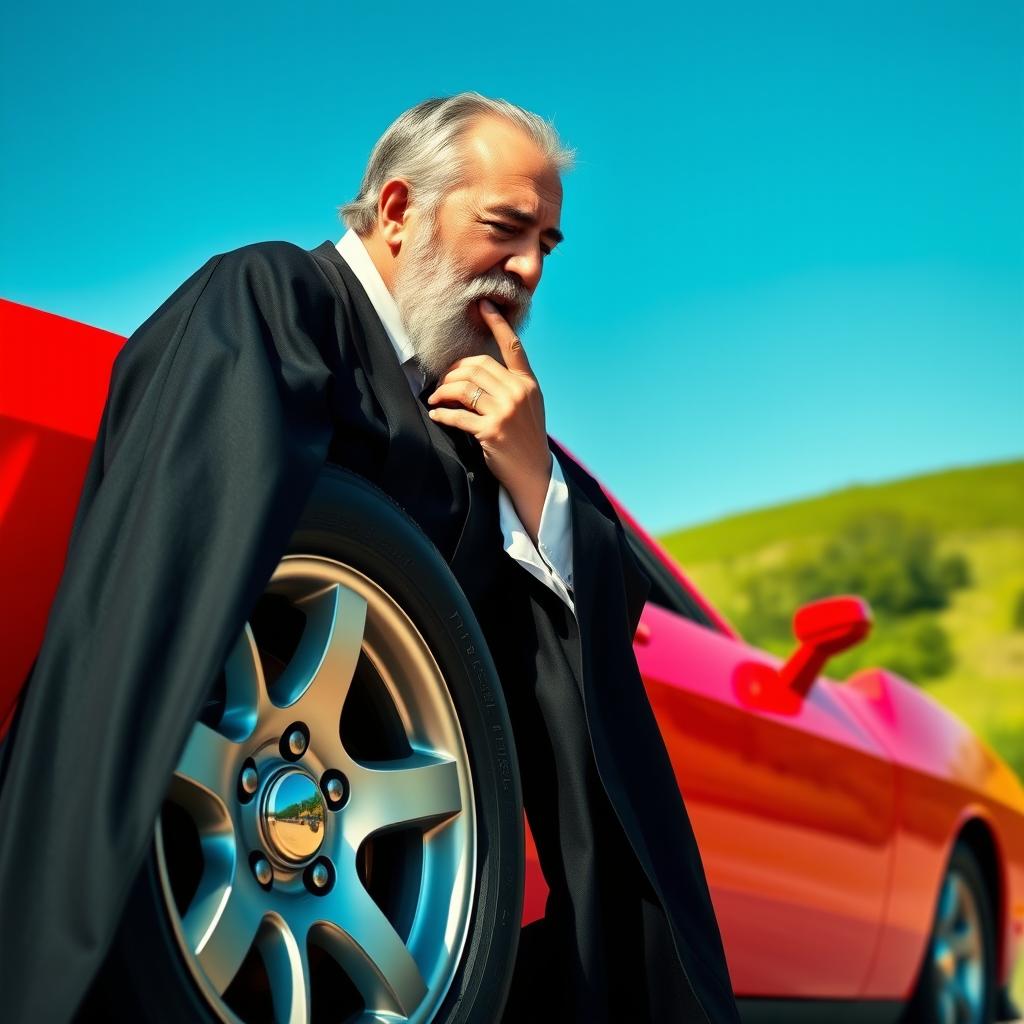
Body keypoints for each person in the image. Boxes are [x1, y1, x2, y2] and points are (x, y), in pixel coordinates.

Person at [0, 92, 742, 1023]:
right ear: (398, 211)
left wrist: (534, 479)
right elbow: (164, 599)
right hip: (191, 863)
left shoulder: (479, 426)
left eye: (546, 247)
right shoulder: (272, 306)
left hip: (368, 901)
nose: (526, 270)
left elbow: (564, 647)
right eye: (506, 229)